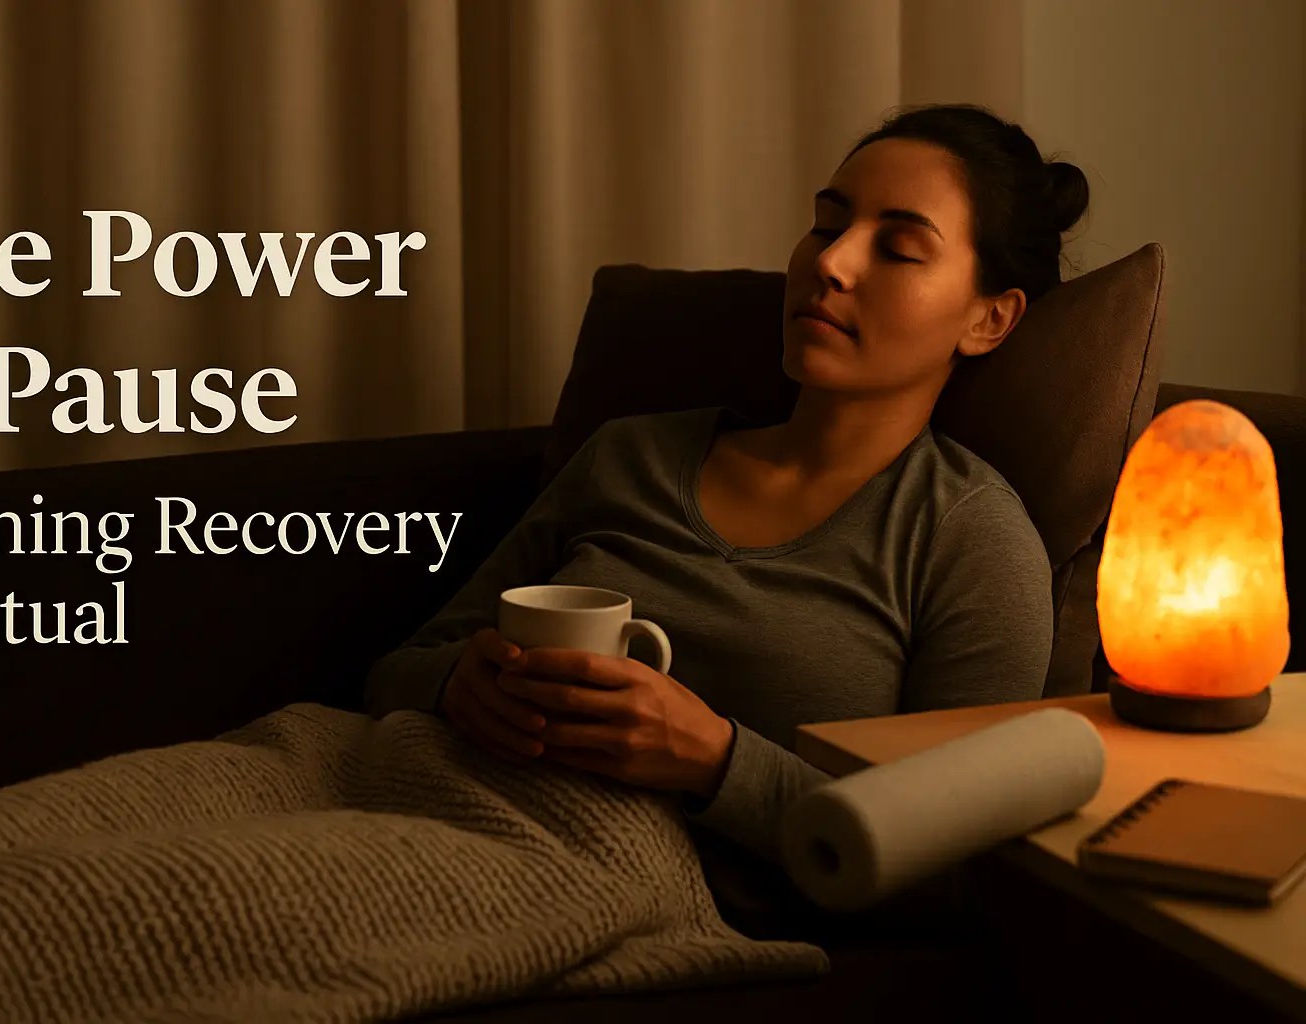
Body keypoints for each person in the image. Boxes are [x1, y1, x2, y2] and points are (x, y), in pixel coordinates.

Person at [364, 103, 1088, 937]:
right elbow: (394, 672)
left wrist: (714, 762)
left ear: (989, 318)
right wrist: (458, 685)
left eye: (897, 248)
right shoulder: (631, 455)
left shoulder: (969, 539)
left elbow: (951, 872)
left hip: (585, 892)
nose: (831, 262)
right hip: (401, 791)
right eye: (826, 226)